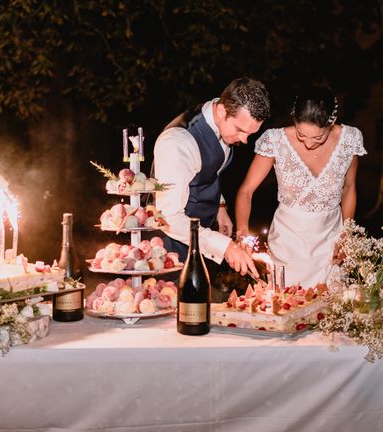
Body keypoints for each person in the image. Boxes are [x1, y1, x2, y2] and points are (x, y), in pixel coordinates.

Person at [235, 85, 366, 287]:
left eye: (318, 138)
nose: (309, 144)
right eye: (301, 135)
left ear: (332, 123)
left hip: (330, 242)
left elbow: (349, 188)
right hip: (288, 244)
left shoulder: (349, 140)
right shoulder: (275, 141)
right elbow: (246, 191)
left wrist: (346, 235)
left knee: (332, 311)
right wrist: (242, 232)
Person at [153, 77, 270, 277]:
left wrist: (220, 206)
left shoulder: (221, 119)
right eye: (240, 130)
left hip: (198, 240)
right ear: (222, 111)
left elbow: (207, 170)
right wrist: (226, 247)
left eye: (250, 133)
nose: (244, 140)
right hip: (166, 249)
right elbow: (167, 218)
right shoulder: (178, 143)